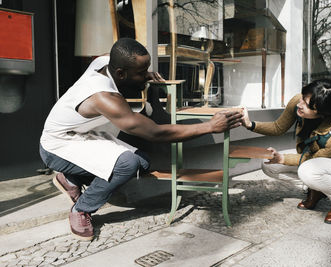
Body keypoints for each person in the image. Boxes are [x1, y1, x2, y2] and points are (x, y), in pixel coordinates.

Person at [39, 38, 242, 240]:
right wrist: (210, 126)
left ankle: (70, 179)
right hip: (57, 145)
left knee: (142, 163)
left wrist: (142, 75)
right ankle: (82, 208)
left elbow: (116, 61)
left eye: (147, 70)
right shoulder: (104, 97)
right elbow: (156, 133)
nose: (147, 76)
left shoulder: (105, 62)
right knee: (127, 164)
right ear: (120, 73)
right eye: (141, 73)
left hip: (81, 135)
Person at [242, 79, 331, 224]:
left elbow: (313, 159)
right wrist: (250, 124)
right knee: (268, 164)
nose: (300, 104)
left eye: (306, 105)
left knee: (308, 171)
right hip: (315, 159)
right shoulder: (298, 102)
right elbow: (278, 127)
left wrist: (282, 158)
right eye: (302, 98)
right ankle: (317, 190)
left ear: (321, 112)